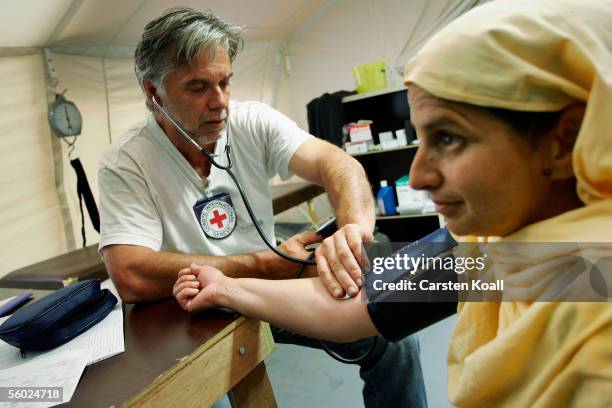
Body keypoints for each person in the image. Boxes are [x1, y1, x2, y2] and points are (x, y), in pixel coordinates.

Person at [174, 0, 612, 406]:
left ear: (565, 140)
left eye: (449, 138)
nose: (418, 175)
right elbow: (365, 301)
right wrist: (225, 287)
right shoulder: (494, 246)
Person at [97, 7, 427, 408]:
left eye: (224, 82)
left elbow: (339, 164)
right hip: (193, 309)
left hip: (269, 287)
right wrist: (263, 264)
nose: (220, 102)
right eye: (198, 87)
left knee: (394, 334)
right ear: (154, 92)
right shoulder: (128, 160)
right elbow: (130, 273)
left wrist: (353, 232)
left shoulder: (252, 122)